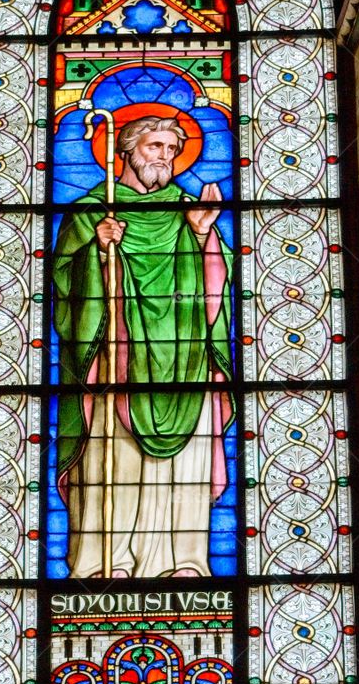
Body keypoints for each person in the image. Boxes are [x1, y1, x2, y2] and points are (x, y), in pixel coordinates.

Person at [52, 114, 233, 577]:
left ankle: (181, 562)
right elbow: (65, 285)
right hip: (117, 361)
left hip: (184, 361)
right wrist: (96, 249)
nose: (164, 157)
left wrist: (199, 234)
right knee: (116, 459)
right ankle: (103, 561)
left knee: (181, 465)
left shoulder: (188, 209)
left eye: (172, 150)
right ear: (127, 150)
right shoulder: (94, 210)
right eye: (154, 146)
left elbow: (216, 288)